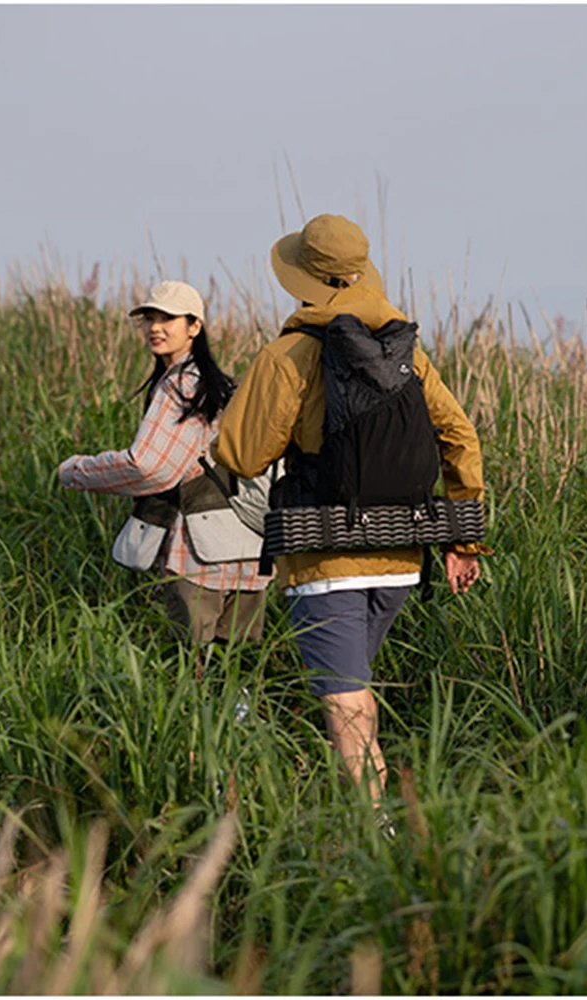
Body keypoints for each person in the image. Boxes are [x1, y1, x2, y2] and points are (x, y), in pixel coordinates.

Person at [211, 214, 487, 805]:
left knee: (346, 701)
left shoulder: (290, 355)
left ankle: (377, 833)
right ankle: (344, 806)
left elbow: (241, 452)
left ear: (304, 280)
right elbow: (460, 434)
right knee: (349, 688)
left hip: (324, 556)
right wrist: (463, 540)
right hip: (401, 560)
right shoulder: (406, 351)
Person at [57, 280, 271, 647]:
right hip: (250, 550)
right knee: (238, 668)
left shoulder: (182, 386)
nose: (155, 327)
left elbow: (149, 467)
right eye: (149, 318)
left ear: (194, 326)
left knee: (193, 668)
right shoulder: (223, 387)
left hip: (199, 554)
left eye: (168, 318)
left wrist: (75, 471)